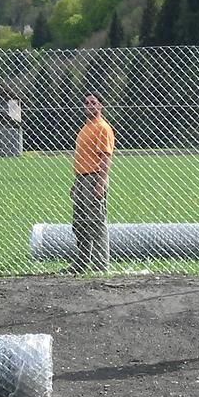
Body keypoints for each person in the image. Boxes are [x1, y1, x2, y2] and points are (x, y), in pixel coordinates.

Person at [66, 91, 115, 273]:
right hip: (81, 179)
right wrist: (76, 183)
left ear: (101, 106)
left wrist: (100, 183)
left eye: (93, 102)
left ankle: (101, 265)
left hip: (94, 177)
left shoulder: (102, 128)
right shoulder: (85, 128)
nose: (89, 105)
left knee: (96, 222)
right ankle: (81, 262)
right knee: (79, 223)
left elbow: (105, 158)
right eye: (87, 103)